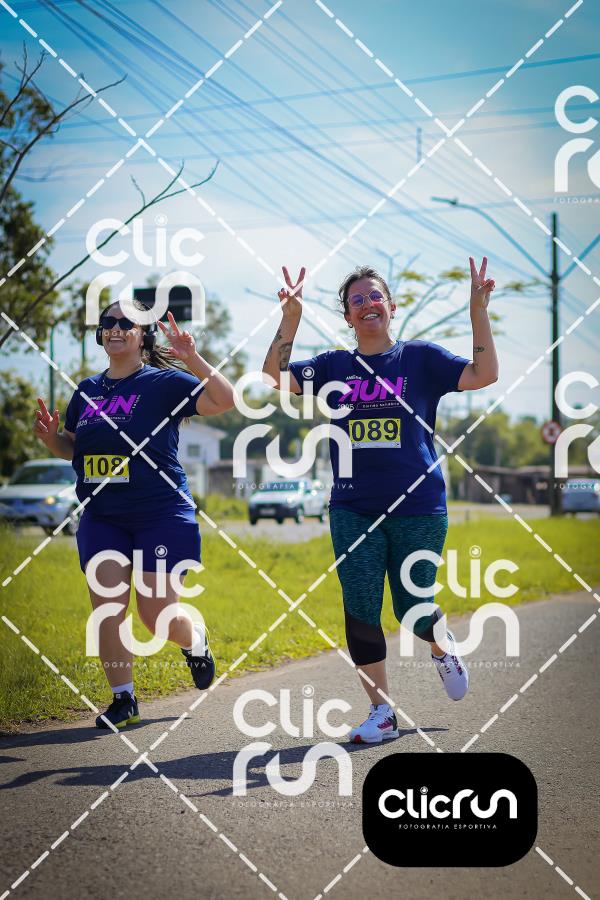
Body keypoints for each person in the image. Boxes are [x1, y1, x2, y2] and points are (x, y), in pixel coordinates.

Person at [262, 258, 498, 743]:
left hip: (419, 506)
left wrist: (478, 311)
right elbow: (273, 376)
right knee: (361, 606)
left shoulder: (421, 359)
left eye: (375, 296)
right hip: (353, 507)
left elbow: (484, 374)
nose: (367, 304)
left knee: (413, 608)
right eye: (356, 300)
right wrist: (290, 319)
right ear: (348, 315)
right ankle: (382, 713)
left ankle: (441, 645)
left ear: (390, 306)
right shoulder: (333, 367)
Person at [33, 302, 236, 729]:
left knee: (156, 614)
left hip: (161, 512)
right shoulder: (86, 391)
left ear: (144, 335)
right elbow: (73, 449)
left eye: (127, 322)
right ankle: (123, 700)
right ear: (100, 333)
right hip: (103, 515)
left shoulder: (164, 383)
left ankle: (195, 640)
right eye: (108, 322)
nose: (116, 328)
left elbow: (224, 400)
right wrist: (52, 439)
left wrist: (192, 357)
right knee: (107, 606)